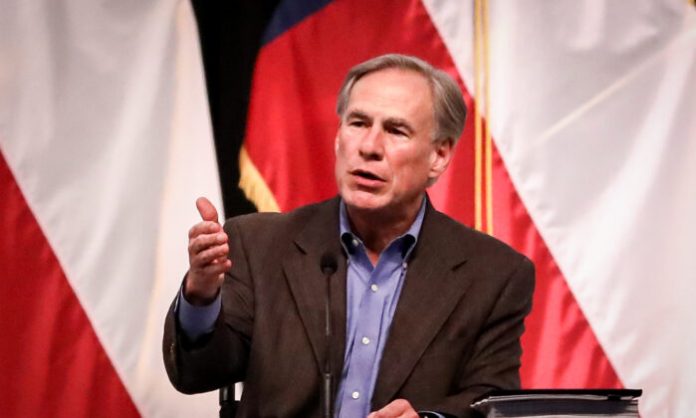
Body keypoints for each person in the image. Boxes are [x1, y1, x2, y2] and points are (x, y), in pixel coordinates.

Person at [163, 54, 534, 418]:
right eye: (358, 123)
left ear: (439, 155)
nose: (369, 147)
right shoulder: (259, 244)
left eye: (396, 130)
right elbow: (198, 374)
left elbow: (492, 400)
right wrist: (201, 295)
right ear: (339, 137)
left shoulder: (494, 274)